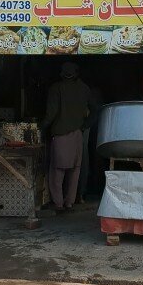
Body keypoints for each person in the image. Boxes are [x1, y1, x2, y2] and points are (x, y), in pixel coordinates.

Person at [42, 62, 92, 213]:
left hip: (61, 134)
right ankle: (69, 202)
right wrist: (84, 126)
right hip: (78, 134)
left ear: (61, 73)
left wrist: (41, 126)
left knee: (58, 171)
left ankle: (58, 204)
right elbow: (91, 110)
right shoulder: (84, 89)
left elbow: (51, 113)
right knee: (74, 171)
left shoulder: (56, 88)